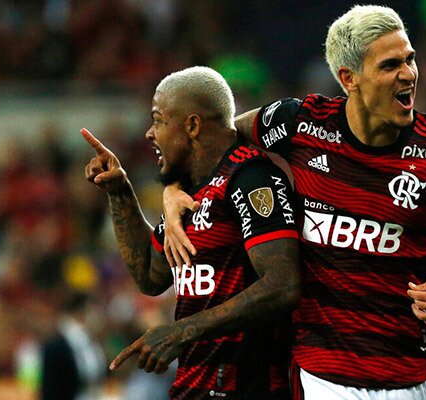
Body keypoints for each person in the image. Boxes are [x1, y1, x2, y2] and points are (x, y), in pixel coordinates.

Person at [164, 6, 426, 400]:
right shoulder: (301, 123)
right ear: (348, 78)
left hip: (414, 374)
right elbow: (216, 140)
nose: (408, 74)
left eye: (410, 59)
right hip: (322, 374)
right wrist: (174, 187)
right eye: (389, 66)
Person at [82, 66, 301, 399]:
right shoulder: (189, 193)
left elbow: (283, 284)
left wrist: (180, 332)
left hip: (247, 389)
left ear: (193, 125)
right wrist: (120, 192)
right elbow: (149, 275)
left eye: (158, 120)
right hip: (192, 388)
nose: (149, 134)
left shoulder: (251, 177)